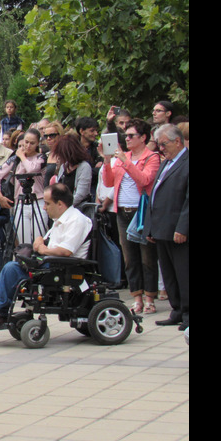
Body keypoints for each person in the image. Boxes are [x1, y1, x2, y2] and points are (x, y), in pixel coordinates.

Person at [0, 183, 92, 332]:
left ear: (60, 204)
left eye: (47, 204)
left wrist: (43, 249)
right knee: (13, 265)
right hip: (51, 263)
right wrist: (39, 242)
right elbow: (43, 240)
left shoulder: (76, 220)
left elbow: (66, 251)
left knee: (11, 269)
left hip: (62, 267)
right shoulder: (60, 219)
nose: (44, 207)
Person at [100, 118, 161, 315]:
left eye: (131, 136)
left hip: (141, 211)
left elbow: (144, 179)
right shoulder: (122, 156)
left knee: (147, 257)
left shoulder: (151, 157)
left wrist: (126, 162)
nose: (127, 139)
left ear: (143, 137)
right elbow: (109, 182)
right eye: (126, 135)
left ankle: (150, 297)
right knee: (130, 258)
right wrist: (107, 161)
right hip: (123, 212)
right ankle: (137, 297)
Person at [145, 124, 189, 331]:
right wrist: (150, 228)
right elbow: (154, 195)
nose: (161, 148)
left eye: (164, 144)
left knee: (183, 272)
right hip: (162, 228)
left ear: (177, 141)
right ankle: (177, 310)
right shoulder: (166, 163)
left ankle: (188, 313)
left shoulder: (187, 162)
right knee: (169, 273)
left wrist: (183, 228)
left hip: (178, 230)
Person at [0, 128, 48, 246]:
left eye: (32, 143)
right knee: (24, 242)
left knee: (38, 239)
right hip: (20, 201)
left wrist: (22, 156)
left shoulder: (41, 157)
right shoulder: (14, 159)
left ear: (37, 143)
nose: (28, 146)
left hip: (39, 201)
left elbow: (32, 169)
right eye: (26, 142)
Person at [49, 135, 94, 206]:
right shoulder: (64, 166)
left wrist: (64, 206)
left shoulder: (84, 167)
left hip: (77, 209)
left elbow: (81, 195)